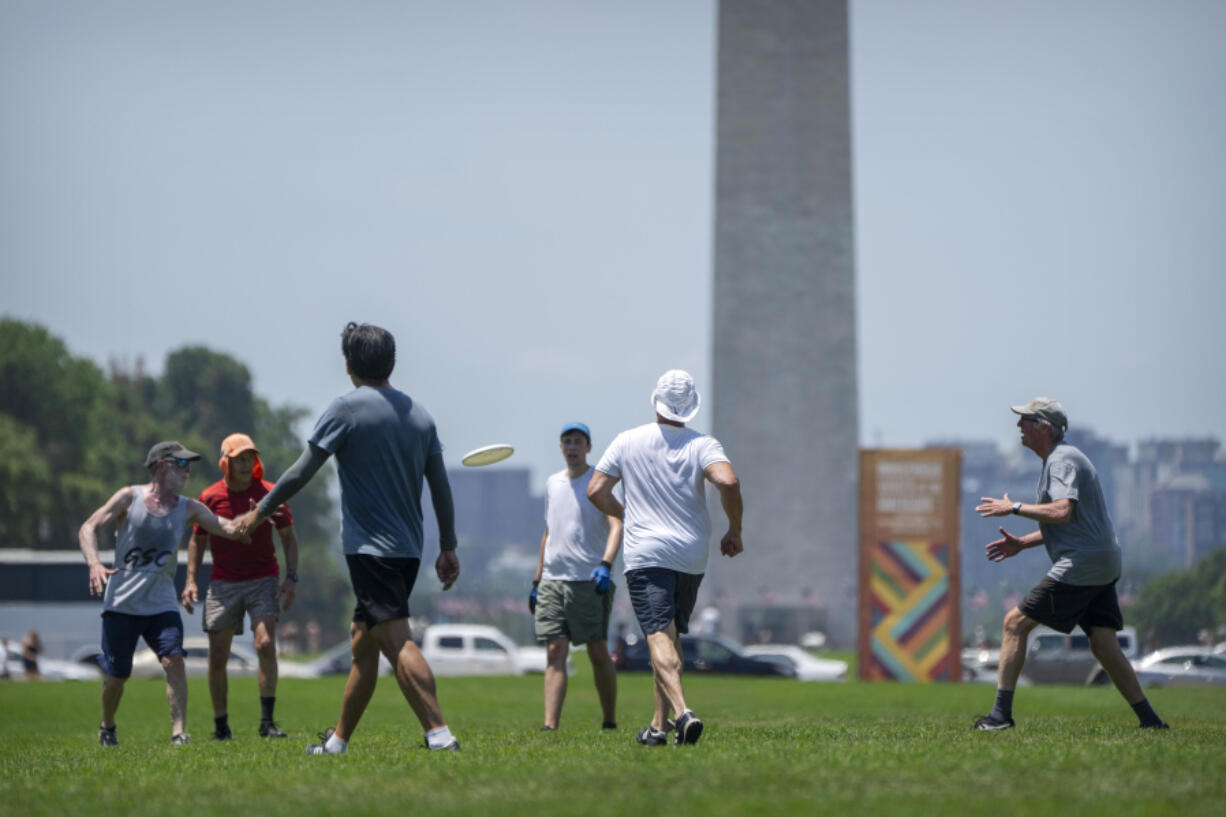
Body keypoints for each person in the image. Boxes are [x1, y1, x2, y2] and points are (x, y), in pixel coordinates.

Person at [235, 322, 461, 755]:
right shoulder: (421, 415)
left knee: (395, 638)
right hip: (409, 551)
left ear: (348, 366)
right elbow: (441, 488)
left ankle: (439, 732)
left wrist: (260, 511)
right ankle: (338, 741)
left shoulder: (347, 410)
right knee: (363, 642)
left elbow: (302, 471)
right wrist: (448, 545)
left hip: (370, 550)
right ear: (392, 362)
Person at [973, 397, 1167, 730]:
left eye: (1027, 420)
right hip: (1102, 561)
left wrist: (1014, 508)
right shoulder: (1060, 460)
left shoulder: (1061, 461)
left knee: (1014, 624)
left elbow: (1062, 511)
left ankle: (1000, 717)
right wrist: (1023, 542)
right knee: (1104, 644)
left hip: (1083, 563)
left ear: (1045, 428)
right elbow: (1072, 522)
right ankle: (1151, 722)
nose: (1019, 426)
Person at [587, 369, 744, 747]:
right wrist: (735, 529)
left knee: (657, 635)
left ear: (655, 400)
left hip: (647, 553)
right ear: (691, 406)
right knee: (670, 638)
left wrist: (625, 513)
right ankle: (658, 728)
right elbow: (728, 481)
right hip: (692, 554)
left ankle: (683, 712)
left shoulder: (627, 440)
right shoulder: (703, 444)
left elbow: (596, 490)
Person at [78, 441, 252, 747]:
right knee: (118, 675)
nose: (188, 471)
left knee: (174, 661)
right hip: (123, 604)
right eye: (181, 464)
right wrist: (94, 562)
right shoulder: (129, 497)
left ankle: (178, 732)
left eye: (189, 465)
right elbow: (88, 528)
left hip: (161, 603)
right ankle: (107, 726)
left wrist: (253, 518)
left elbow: (226, 527)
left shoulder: (189, 508)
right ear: (161, 466)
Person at [182, 433, 300, 740]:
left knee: (264, 644)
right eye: (240, 459)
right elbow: (197, 539)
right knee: (218, 654)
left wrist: (291, 578)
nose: (247, 464)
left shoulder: (271, 494)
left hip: (264, 578)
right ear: (226, 463)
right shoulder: (209, 497)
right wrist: (191, 579)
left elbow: (288, 538)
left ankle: (267, 723)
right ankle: (221, 726)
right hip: (223, 582)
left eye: (250, 458)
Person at [531, 421, 623, 731]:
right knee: (555, 649)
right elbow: (548, 532)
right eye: (567, 441)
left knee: (597, 650)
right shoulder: (552, 483)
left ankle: (609, 719)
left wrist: (606, 564)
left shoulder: (598, 483)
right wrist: (537, 579)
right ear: (561, 447)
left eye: (578, 442)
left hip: (589, 578)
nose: (572, 447)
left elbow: (617, 524)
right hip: (553, 580)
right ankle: (550, 725)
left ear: (588, 447)